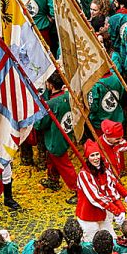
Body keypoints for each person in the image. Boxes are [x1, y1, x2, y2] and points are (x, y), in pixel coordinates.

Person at [75, 140, 127, 242]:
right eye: (92, 155)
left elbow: (111, 189)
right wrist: (116, 211)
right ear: (87, 158)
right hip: (88, 216)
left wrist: (121, 209)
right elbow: (96, 197)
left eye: (97, 154)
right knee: (92, 242)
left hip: (102, 214)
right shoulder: (84, 174)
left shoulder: (104, 170)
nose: (96, 158)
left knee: (111, 239)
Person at [35, 74, 78, 204]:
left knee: (65, 165)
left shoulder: (51, 103)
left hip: (56, 138)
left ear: (51, 85)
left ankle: (79, 190)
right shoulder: (67, 95)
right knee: (52, 159)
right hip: (65, 133)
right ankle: (53, 179)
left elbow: (41, 123)